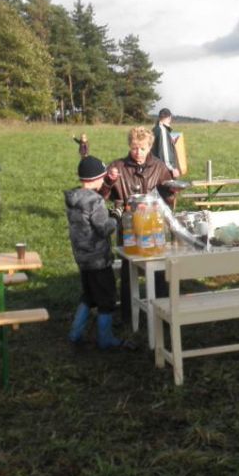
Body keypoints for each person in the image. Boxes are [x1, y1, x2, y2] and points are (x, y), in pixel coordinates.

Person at [101, 126, 176, 321]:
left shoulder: (159, 167)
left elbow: (168, 199)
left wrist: (171, 192)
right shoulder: (118, 167)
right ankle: (128, 316)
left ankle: (162, 314)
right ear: (129, 146)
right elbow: (102, 196)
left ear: (150, 147)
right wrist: (109, 181)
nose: (138, 152)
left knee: (159, 269)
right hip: (128, 228)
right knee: (128, 271)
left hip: (153, 227)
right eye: (134, 148)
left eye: (143, 148)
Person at [65, 156, 127, 349]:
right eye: (103, 177)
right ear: (96, 178)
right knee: (107, 298)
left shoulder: (74, 199)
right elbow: (104, 228)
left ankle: (75, 333)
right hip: (99, 259)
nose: (103, 181)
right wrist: (116, 216)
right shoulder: (95, 201)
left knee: (89, 296)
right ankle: (105, 339)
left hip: (83, 258)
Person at [151, 108, 181, 178]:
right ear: (170, 117)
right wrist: (172, 168)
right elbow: (164, 152)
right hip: (164, 172)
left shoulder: (155, 129)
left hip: (155, 170)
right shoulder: (163, 131)